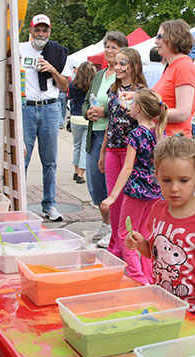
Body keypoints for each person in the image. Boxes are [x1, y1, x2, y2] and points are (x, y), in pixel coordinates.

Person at [126, 135, 195, 325]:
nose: (174, 188)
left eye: (184, 180)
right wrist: (140, 244)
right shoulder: (157, 210)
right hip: (162, 308)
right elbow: (155, 254)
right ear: (157, 176)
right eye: (166, 180)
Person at [100, 88, 166, 284]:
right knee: (145, 235)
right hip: (154, 192)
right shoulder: (158, 132)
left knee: (125, 234)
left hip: (136, 191)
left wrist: (112, 197)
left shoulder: (136, 134)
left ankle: (138, 278)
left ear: (138, 108)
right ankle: (149, 277)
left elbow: (127, 168)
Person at [20, 14, 72, 221]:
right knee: (21, 159)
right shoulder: (19, 49)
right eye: (37, 29)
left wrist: (52, 69)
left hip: (50, 108)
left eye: (45, 30)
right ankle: (20, 204)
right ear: (31, 31)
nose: (41, 33)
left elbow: (65, 86)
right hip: (25, 108)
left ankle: (49, 204)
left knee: (50, 162)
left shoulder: (57, 52)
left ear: (49, 32)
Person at [98, 47, 146, 256]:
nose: (117, 67)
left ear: (134, 65)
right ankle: (115, 244)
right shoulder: (112, 89)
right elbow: (111, 122)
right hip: (112, 148)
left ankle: (128, 245)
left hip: (132, 150)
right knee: (113, 198)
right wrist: (102, 151)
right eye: (116, 63)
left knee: (128, 199)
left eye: (122, 63)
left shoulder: (142, 91)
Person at [82, 31, 128, 247]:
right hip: (94, 133)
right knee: (94, 182)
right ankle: (105, 223)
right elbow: (85, 100)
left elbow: (124, 102)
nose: (109, 51)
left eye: (114, 47)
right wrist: (88, 112)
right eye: (107, 47)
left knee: (112, 182)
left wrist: (105, 110)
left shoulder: (122, 74)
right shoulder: (100, 75)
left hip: (114, 136)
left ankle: (114, 227)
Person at [152, 20, 195, 137]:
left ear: (173, 37)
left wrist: (147, 113)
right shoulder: (172, 66)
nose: (156, 41)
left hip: (174, 145)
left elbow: (182, 113)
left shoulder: (183, 67)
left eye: (160, 36)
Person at [69, 61, 96, 184]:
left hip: (75, 117)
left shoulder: (73, 85)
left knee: (76, 146)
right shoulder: (93, 86)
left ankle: (75, 170)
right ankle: (81, 173)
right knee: (85, 147)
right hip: (87, 117)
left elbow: (70, 98)